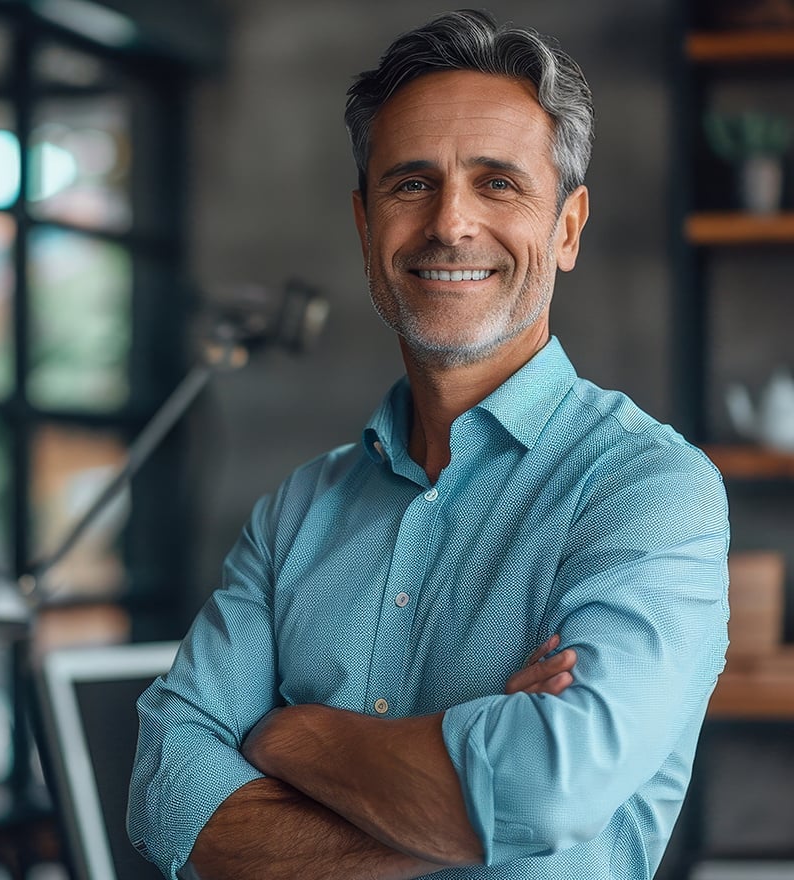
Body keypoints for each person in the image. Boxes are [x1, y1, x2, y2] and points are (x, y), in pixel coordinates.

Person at [127, 9, 730, 880]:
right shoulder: (297, 512)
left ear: (566, 227)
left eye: (498, 183)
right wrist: (458, 802)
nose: (450, 223)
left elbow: (547, 792)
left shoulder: (650, 489)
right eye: (412, 183)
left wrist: (295, 735)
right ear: (365, 222)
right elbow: (165, 793)